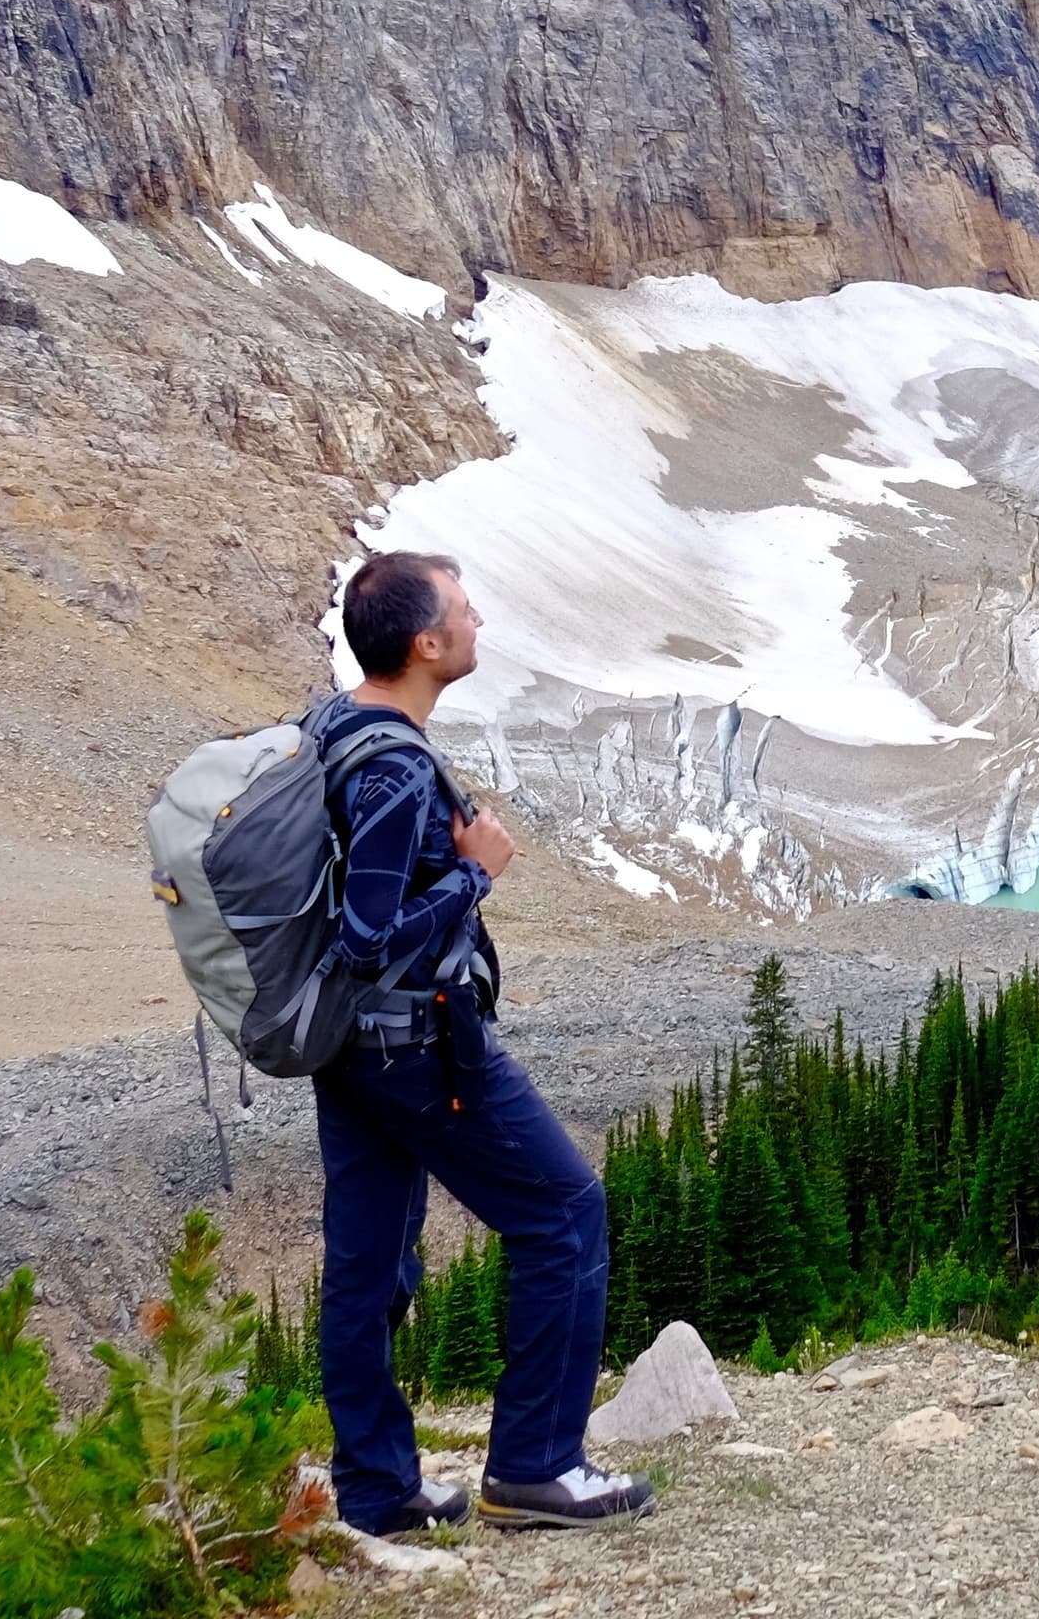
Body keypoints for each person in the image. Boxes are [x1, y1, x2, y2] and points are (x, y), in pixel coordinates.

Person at [305, 549, 653, 1533]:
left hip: (351, 1052)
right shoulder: (396, 770)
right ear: (426, 642)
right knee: (566, 1214)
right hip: (415, 1044)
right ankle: (536, 1466)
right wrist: (473, 877)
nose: (480, 621)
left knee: (366, 1264)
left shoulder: (335, 726)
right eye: (464, 610)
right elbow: (364, 941)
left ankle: (378, 1489)